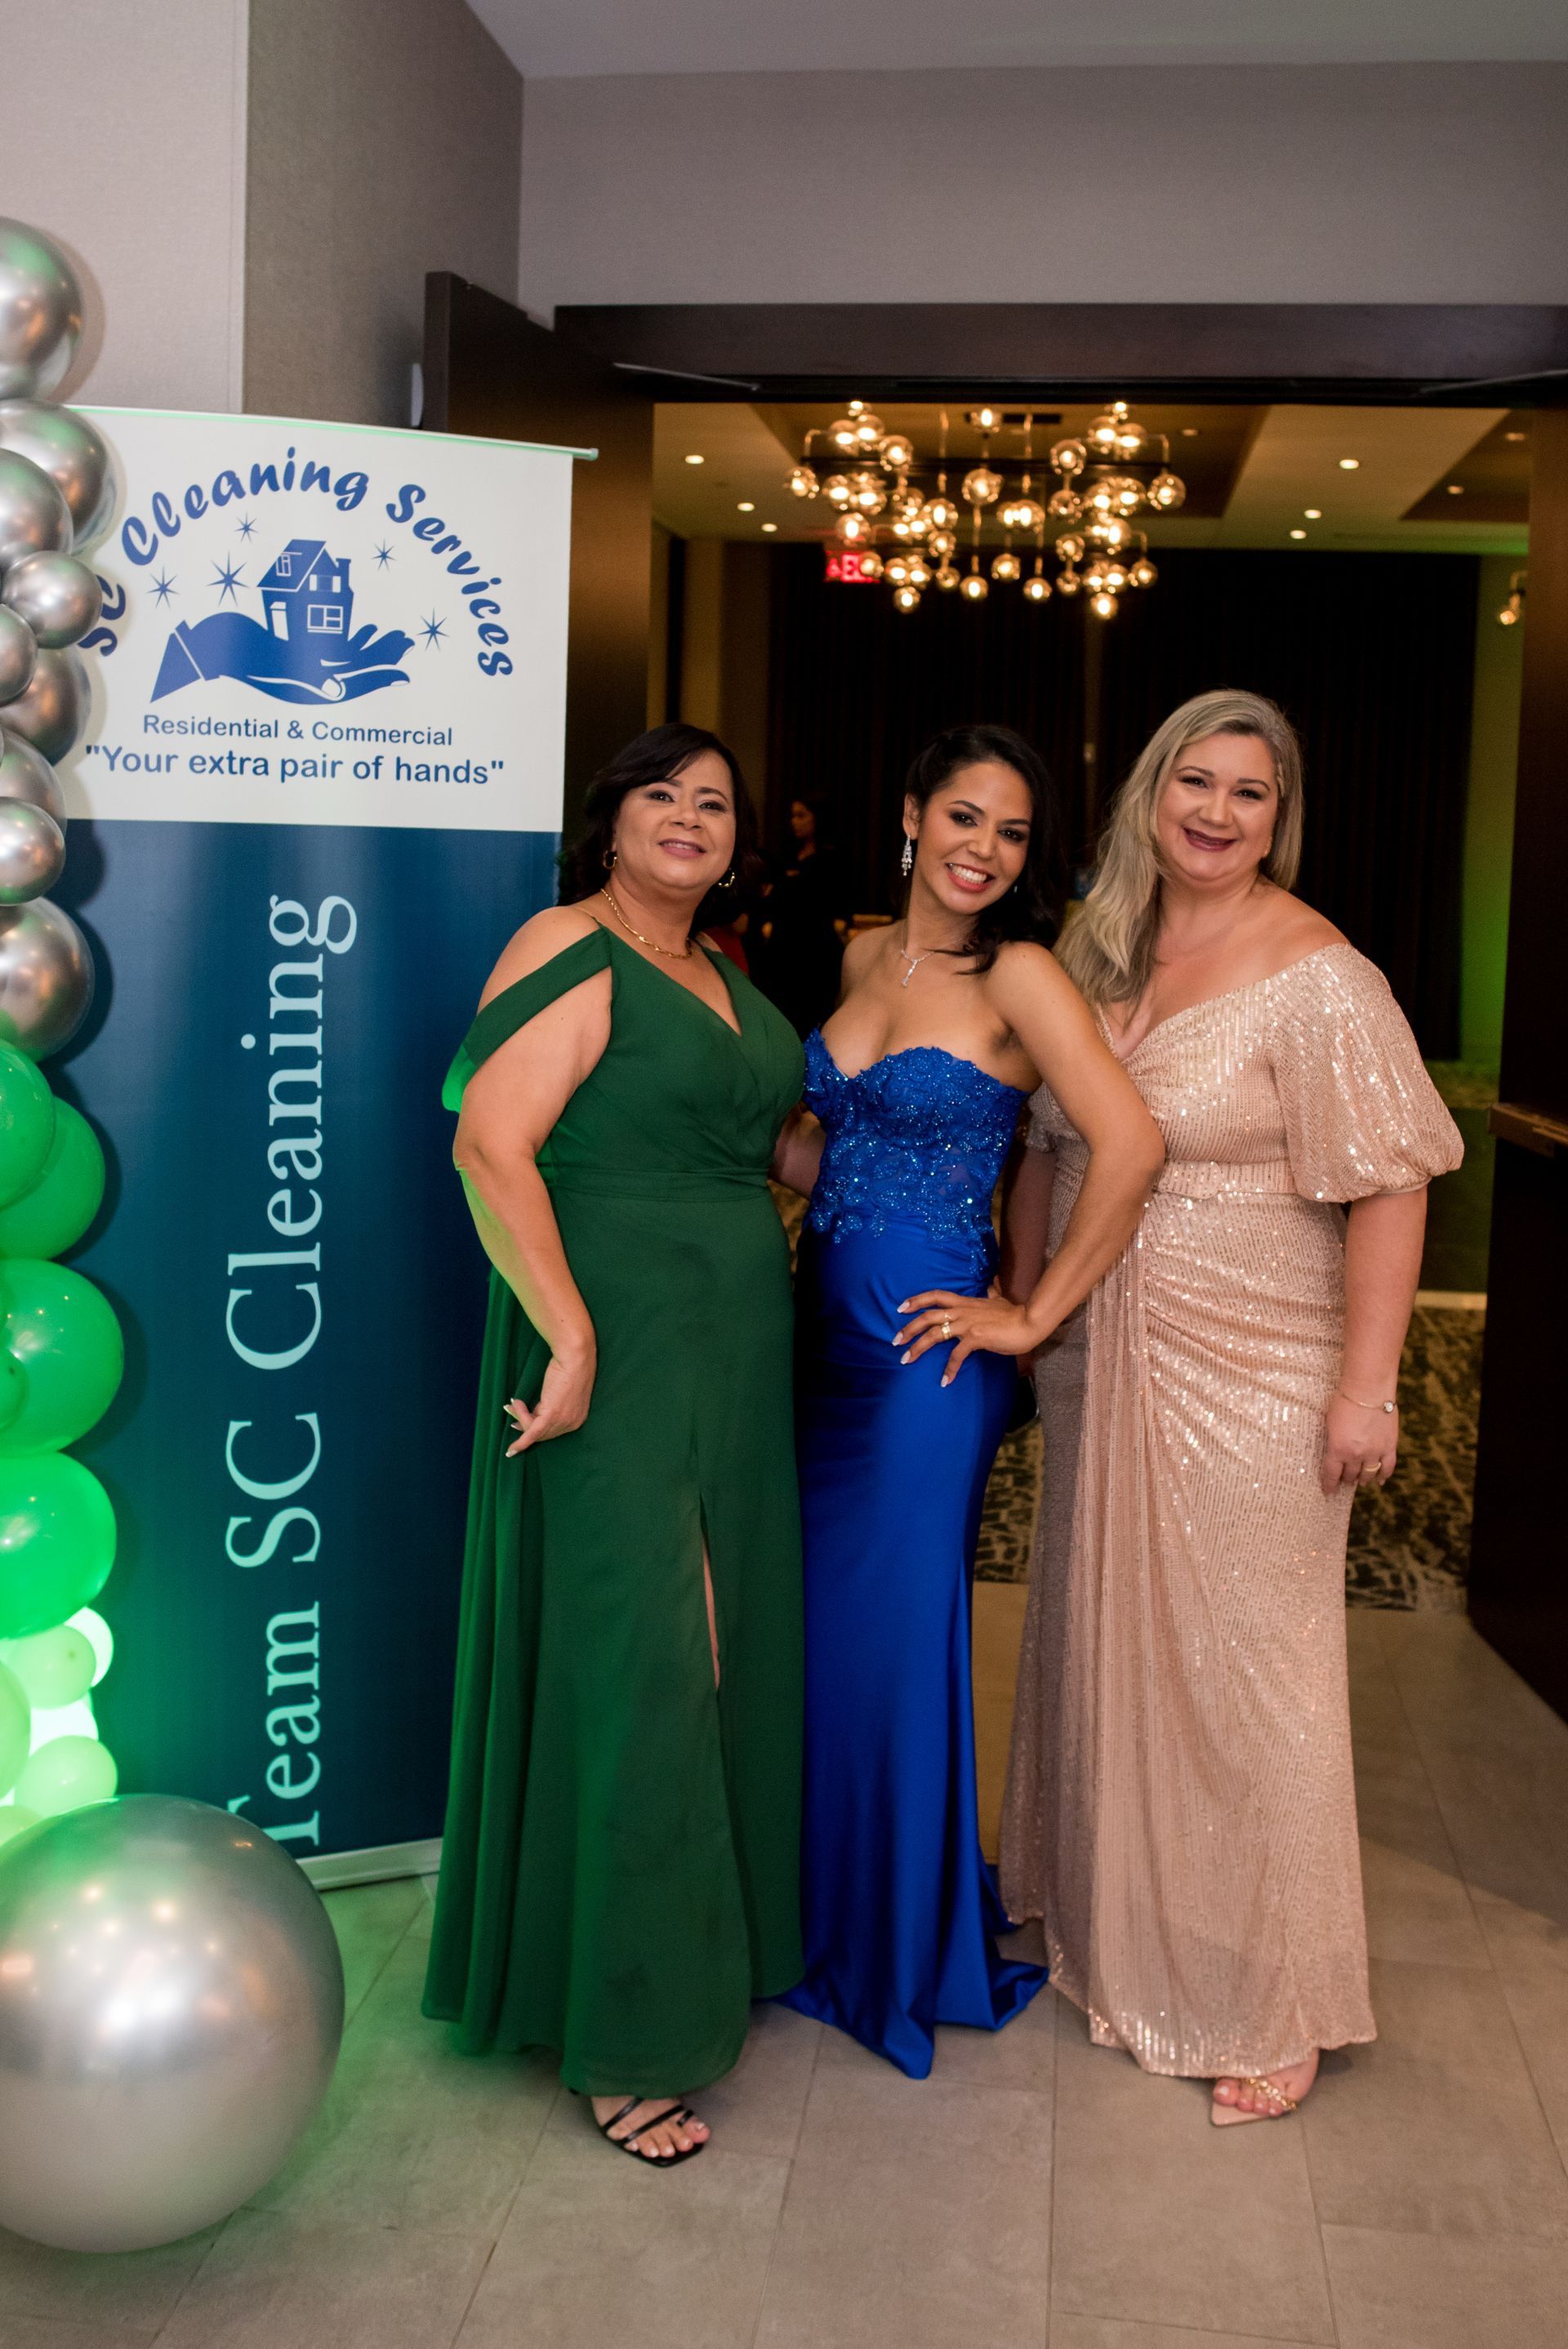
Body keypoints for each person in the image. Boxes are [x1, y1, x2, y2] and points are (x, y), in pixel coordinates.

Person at [999, 688, 1462, 2124]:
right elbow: (1040, 1148)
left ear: (1280, 814)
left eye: (1246, 792)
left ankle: (1271, 1998)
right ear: (1149, 794)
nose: (1214, 811)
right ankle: (1106, 1922)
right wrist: (1031, 1309)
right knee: (1097, 1630)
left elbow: (1393, 1178)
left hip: (1253, 1361)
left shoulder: (1320, 970)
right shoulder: (1097, 949)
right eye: (1191, 781)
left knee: (1246, 1682)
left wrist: (1368, 1385)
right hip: (1097, 1352)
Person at [423, 723, 807, 2165]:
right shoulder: (565, 945)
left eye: (717, 799)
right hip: (616, 1344)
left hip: (736, 1350)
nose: (692, 817)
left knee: (720, 1651)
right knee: (645, 1661)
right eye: (664, 794)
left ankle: (700, 1951)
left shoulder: (719, 975)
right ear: (610, 820)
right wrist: (571, 1338)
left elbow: (768, 1145)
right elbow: (488, 1144)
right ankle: (625, 2030)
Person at [772, 723, 1164, 2076]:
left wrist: (1034, 1312)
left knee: (888, 1646)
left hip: (930, 1362)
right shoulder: (861, 952)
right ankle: (817, 1913)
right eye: (965, 819)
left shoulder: (1026, 975)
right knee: (817, 1645)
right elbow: (819, 1150)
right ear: (912, 813)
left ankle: (886, 1942)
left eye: (1011, 832)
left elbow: (1132, 1141)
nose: (985, 850)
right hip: (817, 1343)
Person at [755, 794, 847, 1036]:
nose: (795, 822)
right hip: (782, 950)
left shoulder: (831, 858)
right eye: (792, 816)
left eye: (801, 815)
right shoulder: (787, 855)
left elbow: (832, 903)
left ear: (817, 818)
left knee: (811, 1020)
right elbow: (772, 896)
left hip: (815, 953)